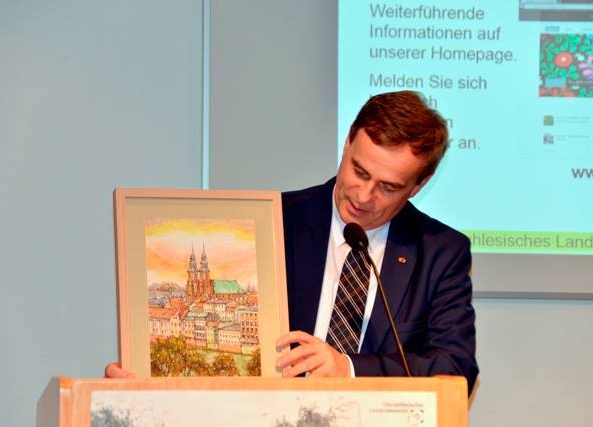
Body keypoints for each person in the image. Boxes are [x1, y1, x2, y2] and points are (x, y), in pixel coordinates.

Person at [107, 91, 478, 393]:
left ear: (418, 185)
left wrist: (347, 368)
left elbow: (455, 368)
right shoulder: (275, 221)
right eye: (359, 171)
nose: (364, 196)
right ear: (347, 144)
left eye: (388, 187)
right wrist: (146, 379)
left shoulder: (439, 252)